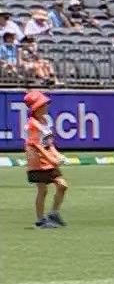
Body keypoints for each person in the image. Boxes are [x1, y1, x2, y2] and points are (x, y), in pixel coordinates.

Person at [23, 90, 68, 228]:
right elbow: (36, 145)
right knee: (42, 190)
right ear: (36, 108)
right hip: (37, 162)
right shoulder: (32, 124)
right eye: (43, 104)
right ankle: (40, 220)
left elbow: (49, 144)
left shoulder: (44, 121)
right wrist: (52, 159)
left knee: (62, 185)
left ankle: (54, 213)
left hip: (47, 161)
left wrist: (57, 155)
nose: (46, 106)